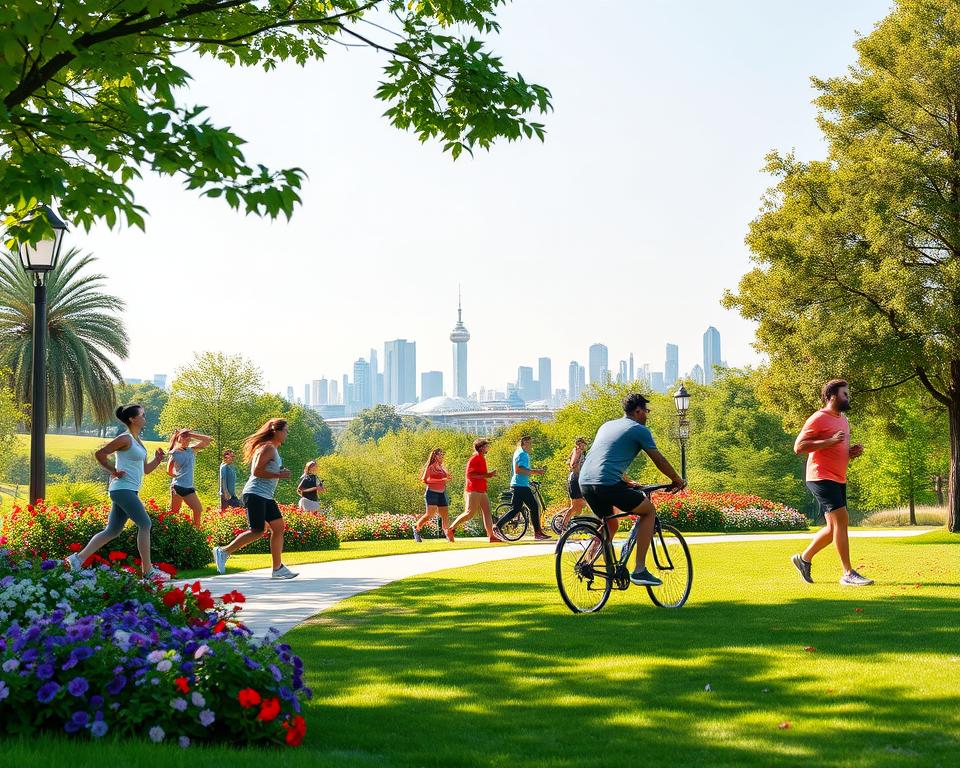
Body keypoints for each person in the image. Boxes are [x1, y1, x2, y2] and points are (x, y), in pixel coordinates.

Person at [578, 393, 685, 586]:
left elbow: (604, 458)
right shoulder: (639, 430)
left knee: (610, 525)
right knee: (648, 511)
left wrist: (625, 481)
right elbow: (658, 459)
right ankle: (640, 570)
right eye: (646, 411)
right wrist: (676, 479)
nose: (647, 415)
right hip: (607, 483)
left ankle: (588, 563)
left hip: (585, 481)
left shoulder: (607, 426)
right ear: (638, 411)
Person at [67, 404, 169, 580]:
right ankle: (148, 571)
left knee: (113, 530)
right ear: (132, 419)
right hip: (122, 489)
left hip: (128, 490)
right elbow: (100, 453)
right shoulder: (125, 439)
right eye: (142, 415)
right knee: (145, 524)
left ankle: (77, 559)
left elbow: (145, 469)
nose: (145, 418)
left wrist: (158, 460)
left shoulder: (138, 442)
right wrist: (112, 470)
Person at [791, 379, 873, 587]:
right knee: (842, 520)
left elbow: (837, 448)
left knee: (832, 528)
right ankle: (847, 573)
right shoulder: (818, 418)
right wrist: (829, 441)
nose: (848, 397)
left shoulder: (843, 420)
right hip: (820, 476)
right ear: (832, 396)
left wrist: (850, 452)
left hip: (838, 477)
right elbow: (799, 447)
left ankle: (804, 559)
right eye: (845, 394)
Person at [212, 418, 297, 579]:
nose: (287, 434)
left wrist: (278, 471)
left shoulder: (272, 449)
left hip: (265, 495)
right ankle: (223, 551)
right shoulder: (268, 448)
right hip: (255, 494)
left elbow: (265, 469)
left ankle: (277, 568)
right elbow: (257, 472)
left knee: (278, 527)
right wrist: (279, 474)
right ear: (276, 431)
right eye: (285, 430)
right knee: (257, 530)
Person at [494, 435, 549, 541]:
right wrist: (536, 471)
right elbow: (519, 470)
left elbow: (521, 470)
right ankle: (537, 533)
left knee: (516, 509)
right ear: (524, 442)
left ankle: (497, 526)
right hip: (520, 485)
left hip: (519, 484)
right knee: (534, 506)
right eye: (529, 443)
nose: (531, 445)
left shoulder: (518, 452)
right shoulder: (523, 454)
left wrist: (530, 478)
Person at [448, 438, 500, 543]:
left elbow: (480, 474)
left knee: (487, 512)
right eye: (486, 446)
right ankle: (451, 529)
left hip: (481, 489)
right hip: (474, 489)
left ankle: (491, 536)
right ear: (481, 448)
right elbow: (469, 475)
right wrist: (487, 475)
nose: (488, 447)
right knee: (469, 513)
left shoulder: (481, 458)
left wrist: (489, 475)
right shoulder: (474, 458)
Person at [166, 429, 212, 525]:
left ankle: (196, 532)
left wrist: (191, 434)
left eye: (188, 438)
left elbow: (208, 440)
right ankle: (171, 533)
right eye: (184, 437)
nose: (187, 440)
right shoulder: (174, 452)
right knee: (174, 513)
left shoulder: (191, 450)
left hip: (188, 487)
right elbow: (169, 471)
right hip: (177, 486)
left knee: (198, 509)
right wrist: (177, 476)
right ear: (179, 438)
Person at [412, 448, 452, 542]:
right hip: (432, 493)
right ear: (435, 456)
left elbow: (448, 476)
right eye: (440, 455)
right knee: (430, 515)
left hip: (442, 493)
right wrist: (441, 480)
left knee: (445, 516)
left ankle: (448, 535)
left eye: (442, 455)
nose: (442, 456)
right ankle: (416, 528)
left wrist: (447, 476)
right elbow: (425, 480)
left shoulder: (441, 467)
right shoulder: (430, 467)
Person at [557, 437, 589, 531]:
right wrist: (575, 465)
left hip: (577, 480)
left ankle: (560, 518)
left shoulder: (581, 452)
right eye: (581, 444)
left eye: (583, 444)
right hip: (575, 480)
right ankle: (563, 525)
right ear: (578, 444)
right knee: (577, 505)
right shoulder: (577, 451)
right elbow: (572, 464)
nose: (582, 446)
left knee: (578, 509)